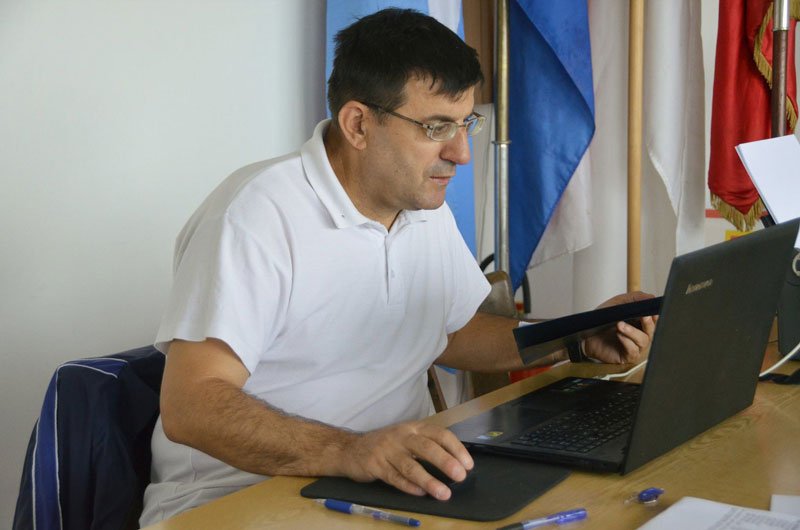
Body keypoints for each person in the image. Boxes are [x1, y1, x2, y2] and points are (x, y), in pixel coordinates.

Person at [139, 8, 656, 525]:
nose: (461, 153)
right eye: (436, 127)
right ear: (359, 124)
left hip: (391, 481)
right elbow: (192, 406)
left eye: (465, 124)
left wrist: (576, 337)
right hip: (236, 499)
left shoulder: (420, 203)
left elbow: (454, 333)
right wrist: (350, 450)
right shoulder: (254, 216)